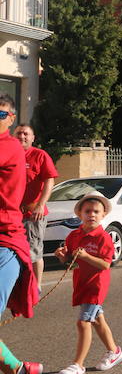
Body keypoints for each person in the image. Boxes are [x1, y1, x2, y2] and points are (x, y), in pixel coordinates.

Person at [54, 191, 122, 373]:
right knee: (97, 319)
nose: (91, 215)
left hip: (96, 285)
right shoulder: (73, 236)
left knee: (83, 322)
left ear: (103, 215)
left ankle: (78, 364)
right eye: (87, 211)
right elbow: (70, 262)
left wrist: (86, 255)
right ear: (80, 214)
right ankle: (114, 351)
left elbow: (105, 265)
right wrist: (62, 257)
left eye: (96, 211)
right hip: (81, 283)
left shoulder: (103, 238)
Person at [0, 96, 42, 374]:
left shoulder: (10, 146)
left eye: (0, 113)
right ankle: (18, 368)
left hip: (4, 243)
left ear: (11, 118)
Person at [16, 124, 58, 289]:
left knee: (33, 251)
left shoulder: (40, 155)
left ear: (33, 138)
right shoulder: (9, 156)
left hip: (32, 215)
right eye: (19, 133)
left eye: (26, 134)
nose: (22, 136)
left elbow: (50, 180)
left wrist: (41, 205)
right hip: (11, 214)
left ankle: (36, 287)